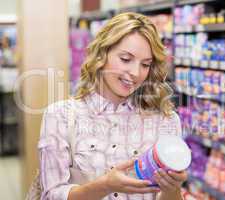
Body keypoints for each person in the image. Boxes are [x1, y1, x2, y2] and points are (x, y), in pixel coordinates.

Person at [38, 12, 187, 200]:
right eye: (125, 59)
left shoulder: (167, 121)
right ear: (102, 54)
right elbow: (51, 195)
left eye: (145, 64)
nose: (135, 73)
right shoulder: (60, 116)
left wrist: (171, 190)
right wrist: (105, 185)